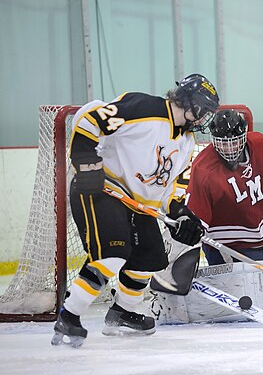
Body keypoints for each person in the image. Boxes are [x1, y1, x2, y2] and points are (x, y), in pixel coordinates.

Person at [51, 73, 219, 347]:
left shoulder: (186, 142)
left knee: (150, 259)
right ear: (193, 105)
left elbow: (169, 189)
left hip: (137, 205)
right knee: (113, 254)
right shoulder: (145, 108)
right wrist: (85, 161)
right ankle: (69, 316)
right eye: (204, 111)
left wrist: (182, 215)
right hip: (100, 189)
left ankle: (123, 312)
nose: (204, 119)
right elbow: (90, 118)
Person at [148, 109, 263, 323]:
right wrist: (178, 255)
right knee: (259, 295)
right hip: (231, 248)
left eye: (234, 141)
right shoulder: (204, 169)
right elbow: (195, 226)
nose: (228, 148)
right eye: (222, 142)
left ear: (244, 136)